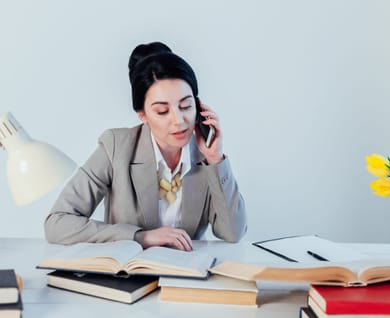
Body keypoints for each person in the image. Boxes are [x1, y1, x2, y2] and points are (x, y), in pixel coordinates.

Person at [44, 42, 247, 251]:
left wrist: (216, 160)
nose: (179, 120)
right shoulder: (116, 147)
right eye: (162, 111)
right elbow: (57, 223)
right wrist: (139, 237)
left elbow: (233, 233)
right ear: (142, 115)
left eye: (186, 106)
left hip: (186, 276)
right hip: (129, 275)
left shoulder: (205, 156)